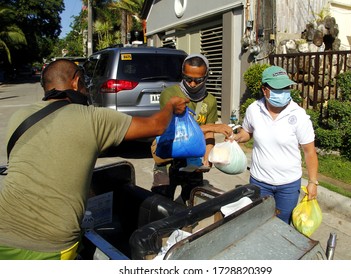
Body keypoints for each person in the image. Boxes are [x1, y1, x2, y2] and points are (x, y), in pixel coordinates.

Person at [0, 59, 188, 260]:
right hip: (50, 245)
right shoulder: (92, 117)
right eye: (84, 84)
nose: (87, 91)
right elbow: (156, 126)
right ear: (76, 81)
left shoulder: (19, 116)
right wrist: (170, 106)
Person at [233, 65, 319, 224]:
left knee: (281, 225)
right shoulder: (254, 109)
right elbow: (248, 132)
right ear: (264, 90)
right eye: (278, 88)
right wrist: (237, 137)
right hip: (259, 181)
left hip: (288, 186)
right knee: (258, 222)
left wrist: (313, 182)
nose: (283, 91)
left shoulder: (298, 115)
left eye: (286, 87)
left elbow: (309, 151)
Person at [152, 54, 233, 203]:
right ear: (182, 74)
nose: (192, 84)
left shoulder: (210, 100)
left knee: (190, 206)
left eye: (198, 80)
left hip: (193, 162)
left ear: (206, 76)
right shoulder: (169, 95)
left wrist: (207, 157)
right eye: (188, 78)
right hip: (167, 160)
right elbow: (173, 128)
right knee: (160, 205)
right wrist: (214, 127)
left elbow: (209, 134)